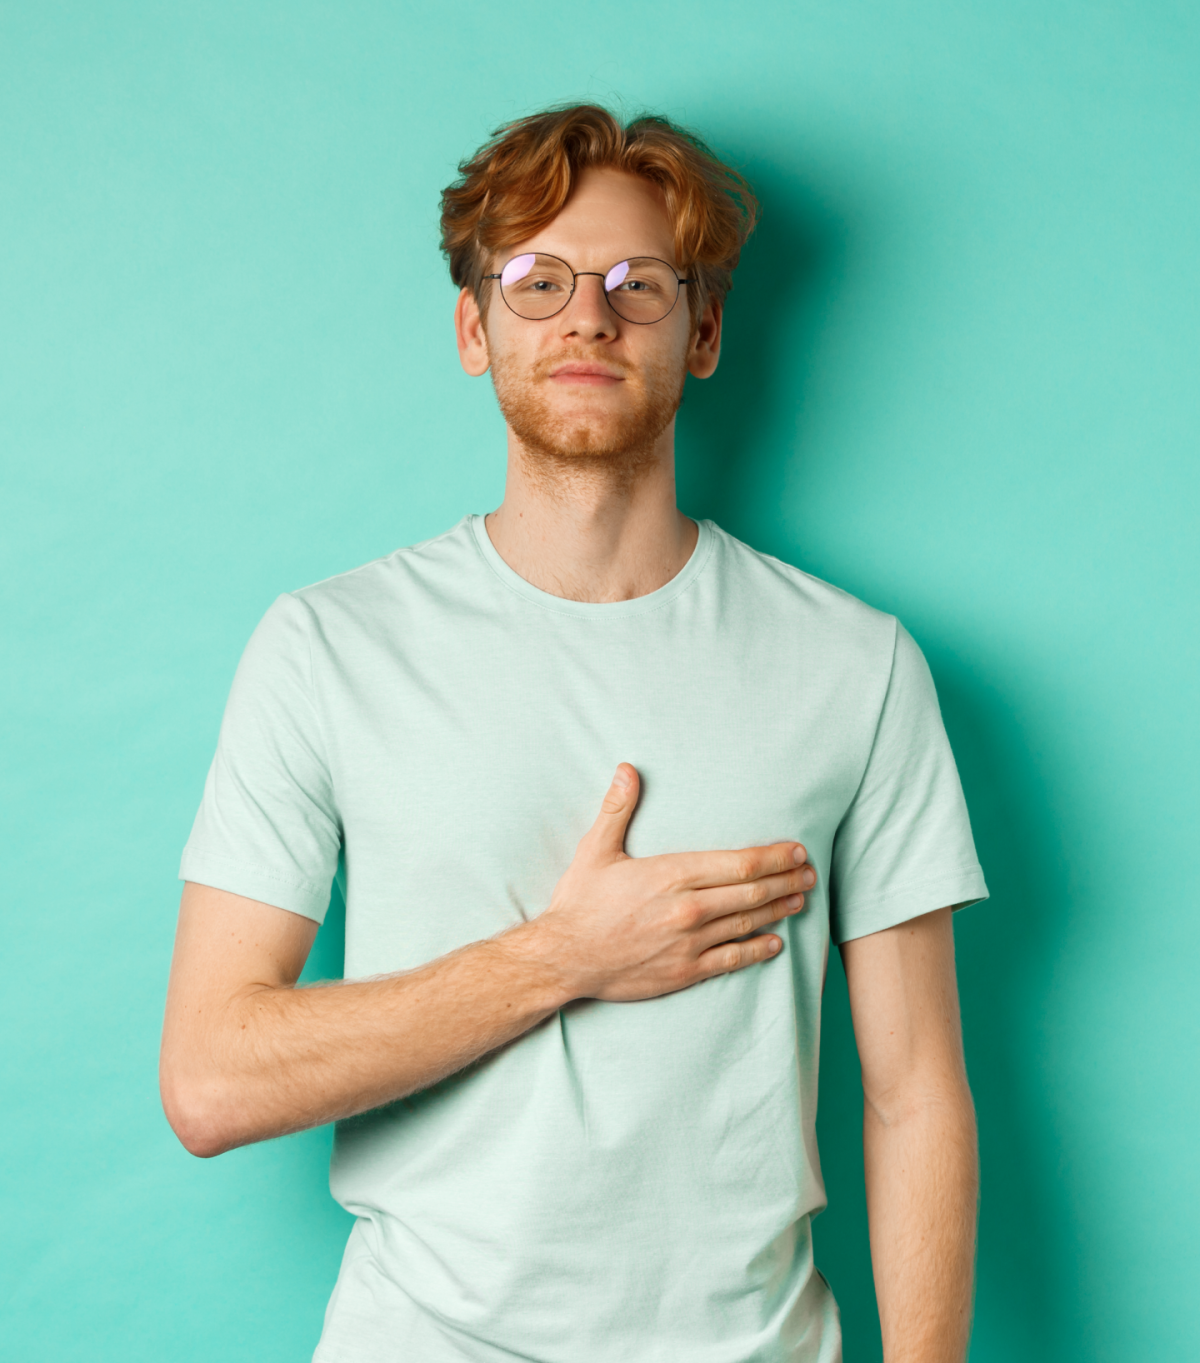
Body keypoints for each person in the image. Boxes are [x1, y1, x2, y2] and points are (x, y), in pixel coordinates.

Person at [161, 104, 987, 1363]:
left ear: (702, 332)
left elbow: (915, 1091)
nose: (587, 316)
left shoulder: (855, 665)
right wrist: (562, 957)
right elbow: (211, 1079)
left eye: (636, 283)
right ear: (473, 328)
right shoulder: (328, 645)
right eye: (537, 282)